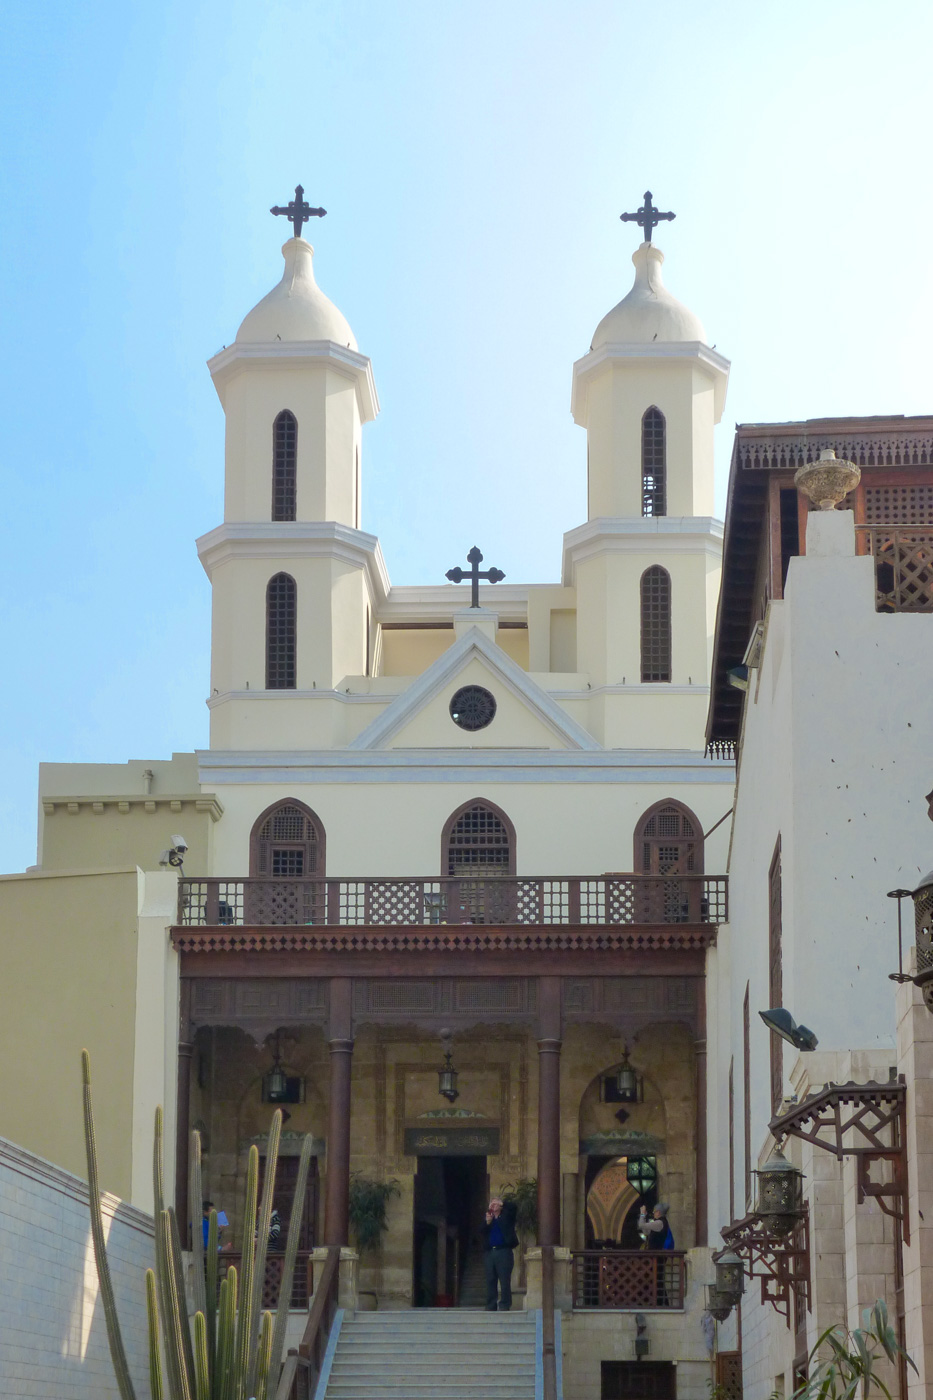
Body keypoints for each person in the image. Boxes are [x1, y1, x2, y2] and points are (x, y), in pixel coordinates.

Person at [483, 1197, 519, 1311]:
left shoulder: (507, 1216)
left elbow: (514, 1207)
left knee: (504, 1279)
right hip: (490, 1252)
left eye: (495, 1204)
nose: (492, 1206)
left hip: (504, 1251)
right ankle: (491, 1305)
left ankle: (504, 1304)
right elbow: (480, 1232)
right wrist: (487, 1223)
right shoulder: (489, 1219)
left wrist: (502, 1202)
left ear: (500, 1206)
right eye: (491, 1204)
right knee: (490, 1279)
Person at [637, 1202, 674, 1305]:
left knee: (656, 1280)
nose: (653, 1213)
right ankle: (659, 1302)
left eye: (654, 1212)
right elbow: (646, 1231)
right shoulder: (659, 1223)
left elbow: (641, 1225)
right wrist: (644, 1221)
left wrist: (643, 1214)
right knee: (655, 1280)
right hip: (656, 1258)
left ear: (658, 1212)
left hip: (656, 1257)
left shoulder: (659, 1223)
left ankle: (661, 1303)